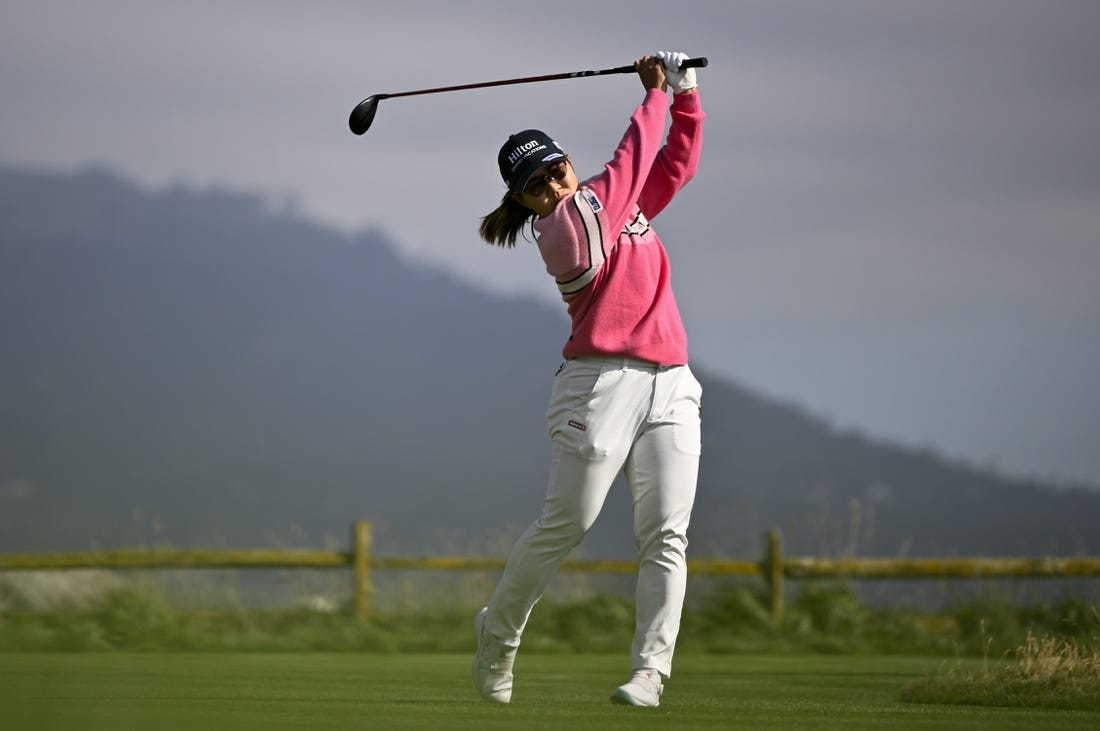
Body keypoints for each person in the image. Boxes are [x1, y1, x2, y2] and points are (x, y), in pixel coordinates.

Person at [473, 51, 705, 708]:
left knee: (666, 532)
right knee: (565, 524)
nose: (553, 185)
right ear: (523, 201)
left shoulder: (612, 202)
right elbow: (633, 162)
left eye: (556, 169)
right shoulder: (565, 228)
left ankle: (650, 673)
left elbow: (672, 168)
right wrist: (654, 93)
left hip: (672, 382)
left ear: (566, 162)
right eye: (537, 185)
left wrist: (686, 95)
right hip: (597, 386)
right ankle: (499, 636)